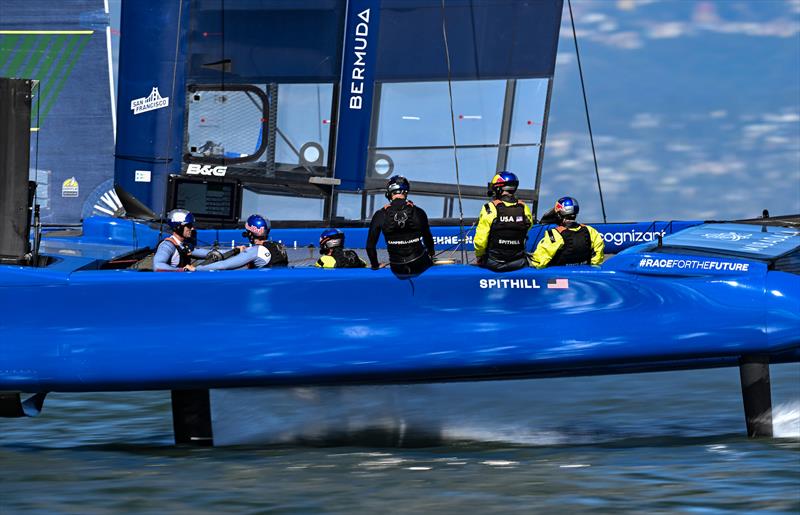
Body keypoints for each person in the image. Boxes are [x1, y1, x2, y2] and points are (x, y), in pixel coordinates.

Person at [366, 175, 435, 276]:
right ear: (406, 192)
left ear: (389, 192)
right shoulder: (418, 212)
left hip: (397, 267)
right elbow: (428, 239)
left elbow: (370, 246)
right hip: (419, 264)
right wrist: (431, 254)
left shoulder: (380, 214)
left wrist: (375, 265)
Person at [473, 171, 534, 272]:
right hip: (519, 263)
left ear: (498, 188)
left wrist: (479, 256)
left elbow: (481, 241)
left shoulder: (489, 208)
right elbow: (527, 228)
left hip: (494, 263)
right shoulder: (524, 208)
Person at [194, 214, 289, 271]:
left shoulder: (255, 251)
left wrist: (196, 269)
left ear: (251, 234)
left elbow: (223, 265)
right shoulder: (279, 246)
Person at [531, 196, 605, 268]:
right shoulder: (590, 231)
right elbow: (597, 259)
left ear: (559, 214)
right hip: (583, 277)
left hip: (558, 277)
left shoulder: (554, 234)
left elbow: (538, 262)